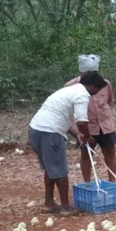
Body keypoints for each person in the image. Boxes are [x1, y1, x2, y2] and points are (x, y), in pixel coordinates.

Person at [28, 72, 108, 215]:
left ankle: (49, 203)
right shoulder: (82, 94)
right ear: (91, 86)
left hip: (36, 129)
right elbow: (82, 122)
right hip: (49, 133)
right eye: (97, 89)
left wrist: (78, 134)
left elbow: (68, 119)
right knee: (60, 170)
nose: (96, 93)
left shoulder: (69, 91)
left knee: (50, 167)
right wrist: (88, 136)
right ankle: (66, 207)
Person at [65, 54, 116, 183]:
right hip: (86, 127)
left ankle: (113, 183)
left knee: (110, 153)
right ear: (82, 72)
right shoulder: (71, 86)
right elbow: (69, 111)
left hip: (106, 126)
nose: (92, 75)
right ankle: (88, 184)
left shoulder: (105, 84)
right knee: (86, 155)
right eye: (89, 72)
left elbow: (109, 101)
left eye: (95, 72)